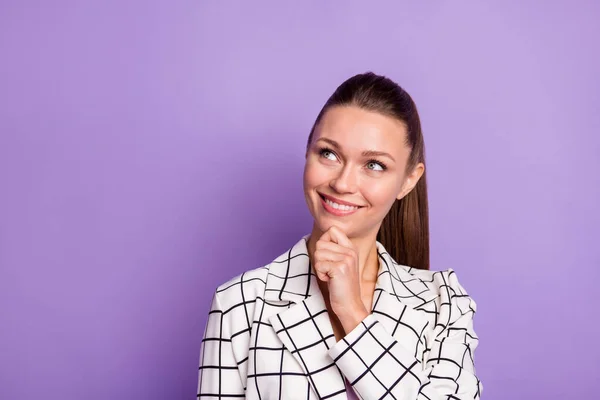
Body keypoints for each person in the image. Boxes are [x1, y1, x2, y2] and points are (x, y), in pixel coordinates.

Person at [196, 72, 482, 399]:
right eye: (329, 154)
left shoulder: (443, 303)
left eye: (374, 164)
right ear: (307, 153)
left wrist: (353, 314)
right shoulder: (240, 304)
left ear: (408, 180)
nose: (343, 183)